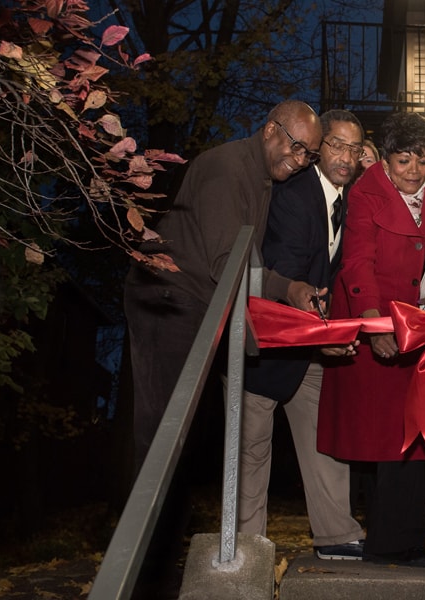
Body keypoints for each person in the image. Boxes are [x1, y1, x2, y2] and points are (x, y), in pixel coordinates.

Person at [124, 99, 324, 472]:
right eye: (296, 147)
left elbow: (242, 262)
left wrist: (290, 289)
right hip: (168, 299)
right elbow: (227, 264)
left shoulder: (259, 176)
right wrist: (279, 300)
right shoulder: (227, 168)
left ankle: (167, 527)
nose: (299, 161)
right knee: (164, 431)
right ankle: (148, 528)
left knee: (183, 434)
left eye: (309, 155)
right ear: (269, 130)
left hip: (195, 304)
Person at [317, 111, 425, 568]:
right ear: (387, 160)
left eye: (422, 160)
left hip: (415, 329)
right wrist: (374, 328)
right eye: (403, 159)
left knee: (410, 433)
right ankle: (392, 544)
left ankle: (400, 540)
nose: (413, 170)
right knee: (385, 437)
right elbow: (357, 263)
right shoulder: (367, 194)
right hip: (374, 322)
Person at [240, 109, 367, 560]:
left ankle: (336, 534)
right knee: (252, 446)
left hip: (311, 344)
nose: (345, 157)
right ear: (316, 149)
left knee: (323, 435)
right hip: (268, 341)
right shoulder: (294, 194)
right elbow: (286, 274)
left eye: (355, 148)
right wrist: (317, 331)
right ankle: (246, 544)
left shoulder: (350, 200)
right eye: (336, 145)